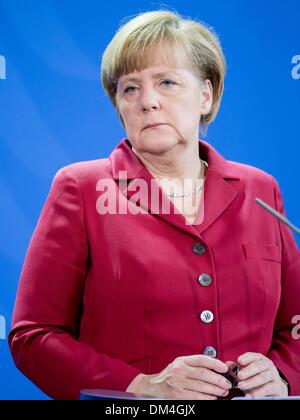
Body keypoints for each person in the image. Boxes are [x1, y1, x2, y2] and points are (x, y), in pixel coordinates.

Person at [9, 9, 300, 400]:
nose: (147, 101)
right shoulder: (80, 188)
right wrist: (139, 387)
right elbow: (34, 336)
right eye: (130, 88)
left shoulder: (260, 189)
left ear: (205, 95)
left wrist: (281, 375)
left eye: (166, 82)